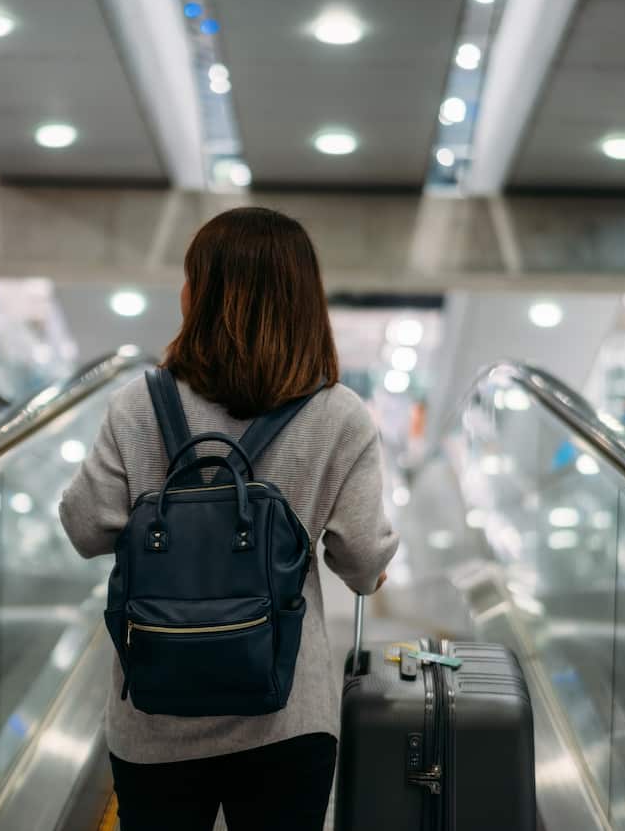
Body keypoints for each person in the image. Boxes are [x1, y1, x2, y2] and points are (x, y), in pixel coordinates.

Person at [59, 206, 399, 831]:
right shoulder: (339, 415)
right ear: (305, 302)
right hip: (286, 717)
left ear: (201, 295)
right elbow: (360, 561)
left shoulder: (138, 404)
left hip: (154, 719)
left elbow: (85, 529)